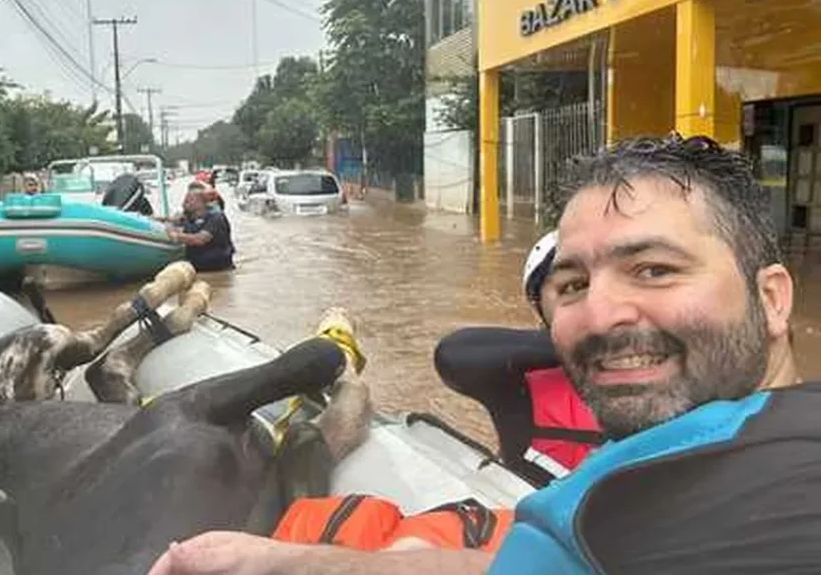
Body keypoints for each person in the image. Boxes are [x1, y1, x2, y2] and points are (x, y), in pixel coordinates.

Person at [148, 134, 821, 574]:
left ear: (774, 299)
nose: (600, 315)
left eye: (654, 270)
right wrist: (274, 562)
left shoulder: (653, 510)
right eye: (574, 285)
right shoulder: (621, 505)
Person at [434, 231, 601, 486]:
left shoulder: (674, 370)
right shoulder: (517, 381)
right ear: (539, 305)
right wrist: (589, 342)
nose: (600, 301)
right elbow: (452, 355)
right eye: (575, 286)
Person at [166, 187, 234, 272]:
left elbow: (200, 239)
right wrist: (169, 224)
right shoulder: (187, 216)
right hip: (197, 267)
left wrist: (177, 236)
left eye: (187, 201)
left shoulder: (215, 217)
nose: (183, 204)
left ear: (199, 203)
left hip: (219, 269)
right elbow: (169, 221)